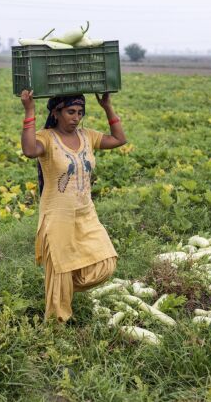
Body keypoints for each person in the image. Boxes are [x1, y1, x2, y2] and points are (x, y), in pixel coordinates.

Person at [20, 89, 127, 322]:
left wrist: (107, 106)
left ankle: (65, 285)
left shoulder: (87, 136)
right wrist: (29, 110)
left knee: (105, 263)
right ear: (56, 113)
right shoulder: (46, 138)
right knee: (60, 271)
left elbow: (119, 140)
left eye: (80, 112)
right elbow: (29, 151)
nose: (76, 117)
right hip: (57, 216)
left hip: (85, 212)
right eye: (70, 112)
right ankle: (56, 327)